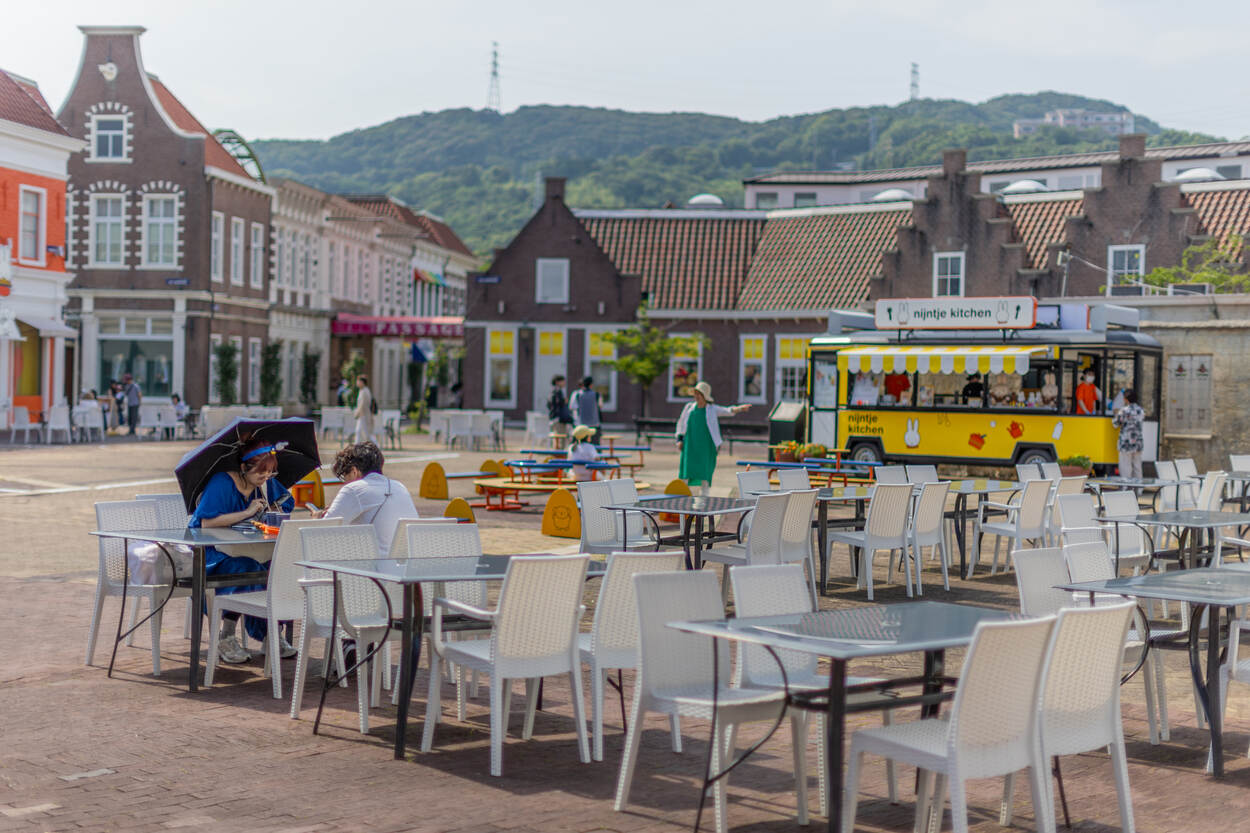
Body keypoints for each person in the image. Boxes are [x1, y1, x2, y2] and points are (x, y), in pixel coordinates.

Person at [189, 437, 296, 664]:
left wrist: (273, 508)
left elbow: (287, 500)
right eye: (261, 473)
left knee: (277, 567)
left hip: (247, 548)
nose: (266, 478)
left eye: (270, 473)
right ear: (243, 467)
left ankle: (270, 633)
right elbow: (206, 523)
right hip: (211, 553)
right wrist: (247, 512)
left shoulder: (264, 485)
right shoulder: (222, 483)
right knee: (246, 568)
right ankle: (227, 635)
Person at [311, 442, 418, 556]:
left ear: (354, 471)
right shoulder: (400, 487)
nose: (344, 483)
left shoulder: (353, 489)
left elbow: (322, 533)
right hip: (407, 564)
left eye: (344, 477)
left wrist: (316, 519)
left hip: (372, 564)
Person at [676, 381, 750, 496]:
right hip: (690, 446)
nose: (696, 396)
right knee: (686, 473)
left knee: (704, 475)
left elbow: (727, 411)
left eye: (699, 394)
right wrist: (679, 439)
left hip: (706, 447)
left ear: (705, 396)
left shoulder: (712, 409)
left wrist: (740, 408)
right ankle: (683, 499)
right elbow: (681, 423)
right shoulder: (688, 408)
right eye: (695, 393)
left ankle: (704, 500)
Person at [1112, 389, 1145, 480]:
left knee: (1125, 466)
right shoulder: (1141, 410)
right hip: (1138, 442)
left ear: (1126, 399)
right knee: (1137, 466)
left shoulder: (1124, 410)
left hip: (1126, 442)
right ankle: (1138, 486)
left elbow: (1115, 424)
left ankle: (1126, 486)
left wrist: (1115, 413)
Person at [569, 376, 601, 444]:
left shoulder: (576, 394)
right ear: (591, 385)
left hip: (580, 425)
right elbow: (600, 405)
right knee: (594, 445)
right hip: (594, 424)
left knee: (578, 444)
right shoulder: (596, 394)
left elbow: (572, 407)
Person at [547, 375, 574, 439]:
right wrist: (564, 401)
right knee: (561, 439)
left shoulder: (552, 391)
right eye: (563, 381)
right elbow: (557, 403)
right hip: (559, 419)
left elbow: (549, 405)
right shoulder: (557, 391)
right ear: (557, 382)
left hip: (555, 418)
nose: (564, 383)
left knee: (556, 439)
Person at [353, 375, 375, 443]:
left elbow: (362, 405)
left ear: (362, 382)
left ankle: (376, 446)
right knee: (358, 431)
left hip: (364, 415)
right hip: (362, 415)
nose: (357, 383)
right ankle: (356, 446)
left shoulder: (365, 391)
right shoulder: (362, 391)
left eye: (358, 381)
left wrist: (357, 414)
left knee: (367, 434)